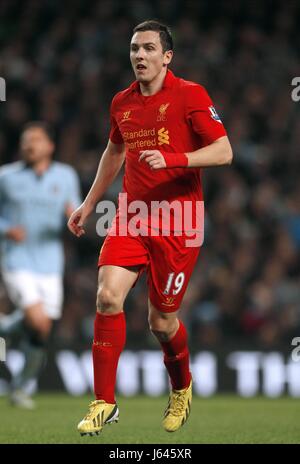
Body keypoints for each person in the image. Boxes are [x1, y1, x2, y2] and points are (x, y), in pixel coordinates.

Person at [68, 20, 232, 435]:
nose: (139, 56)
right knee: (107, 297)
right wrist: (89, 204)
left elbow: (223, 151)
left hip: (179, 222)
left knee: (161, 322)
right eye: (134, 48)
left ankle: (181, 387)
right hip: (131, 217)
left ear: (167, 57)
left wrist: (175, 159)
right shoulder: (121, 102)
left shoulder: (191, 95)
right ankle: (104, 401)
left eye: (148, 49)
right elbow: (114, 150)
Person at [0, 121, 81, 408]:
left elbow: (75, 209)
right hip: (15, 259)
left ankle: (20, 388)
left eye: (35, 140)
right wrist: (6, 229)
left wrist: (75, 218)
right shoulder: (6, 177)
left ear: (49, 146)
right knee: (36, 319)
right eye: (25, 140)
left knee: (42, 328)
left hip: (50, 262)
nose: (28, 145)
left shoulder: (66, 175)